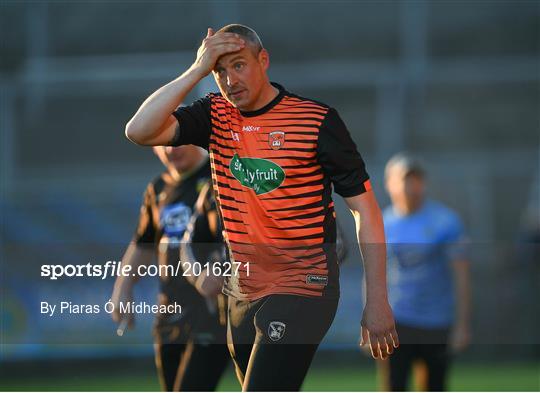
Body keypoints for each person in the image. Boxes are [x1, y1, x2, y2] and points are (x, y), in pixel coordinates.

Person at [124, 24, 398, 391]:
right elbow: (139, 131)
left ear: (263, 60)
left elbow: (365, 209)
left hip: (304, 286)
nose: (229, 79)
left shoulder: (316, 121)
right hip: (241, 293)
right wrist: (196, 70)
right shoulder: (214, 116)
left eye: (238, 65)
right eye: (219, 71)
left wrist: (377, 300)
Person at [110, 145, 230, 391]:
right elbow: (143, 244)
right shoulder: (158, 188)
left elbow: (230, 240)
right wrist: (123, 287)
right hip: (169, 315)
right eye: (162, 143)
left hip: (210, 315)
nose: (170, 149)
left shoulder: (219, 176)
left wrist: (217, 269)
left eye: (175, 140)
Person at [378, 152, 471, 391]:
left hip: (436, 322)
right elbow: (373, 275)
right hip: (397, 322)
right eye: (405, 179)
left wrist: (462, 324)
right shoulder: (381, 223)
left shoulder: (446, 221)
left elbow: (461, 276)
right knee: (393, 386)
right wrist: (370, 323)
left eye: (417, 179)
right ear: (390, 183)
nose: (412, 186)